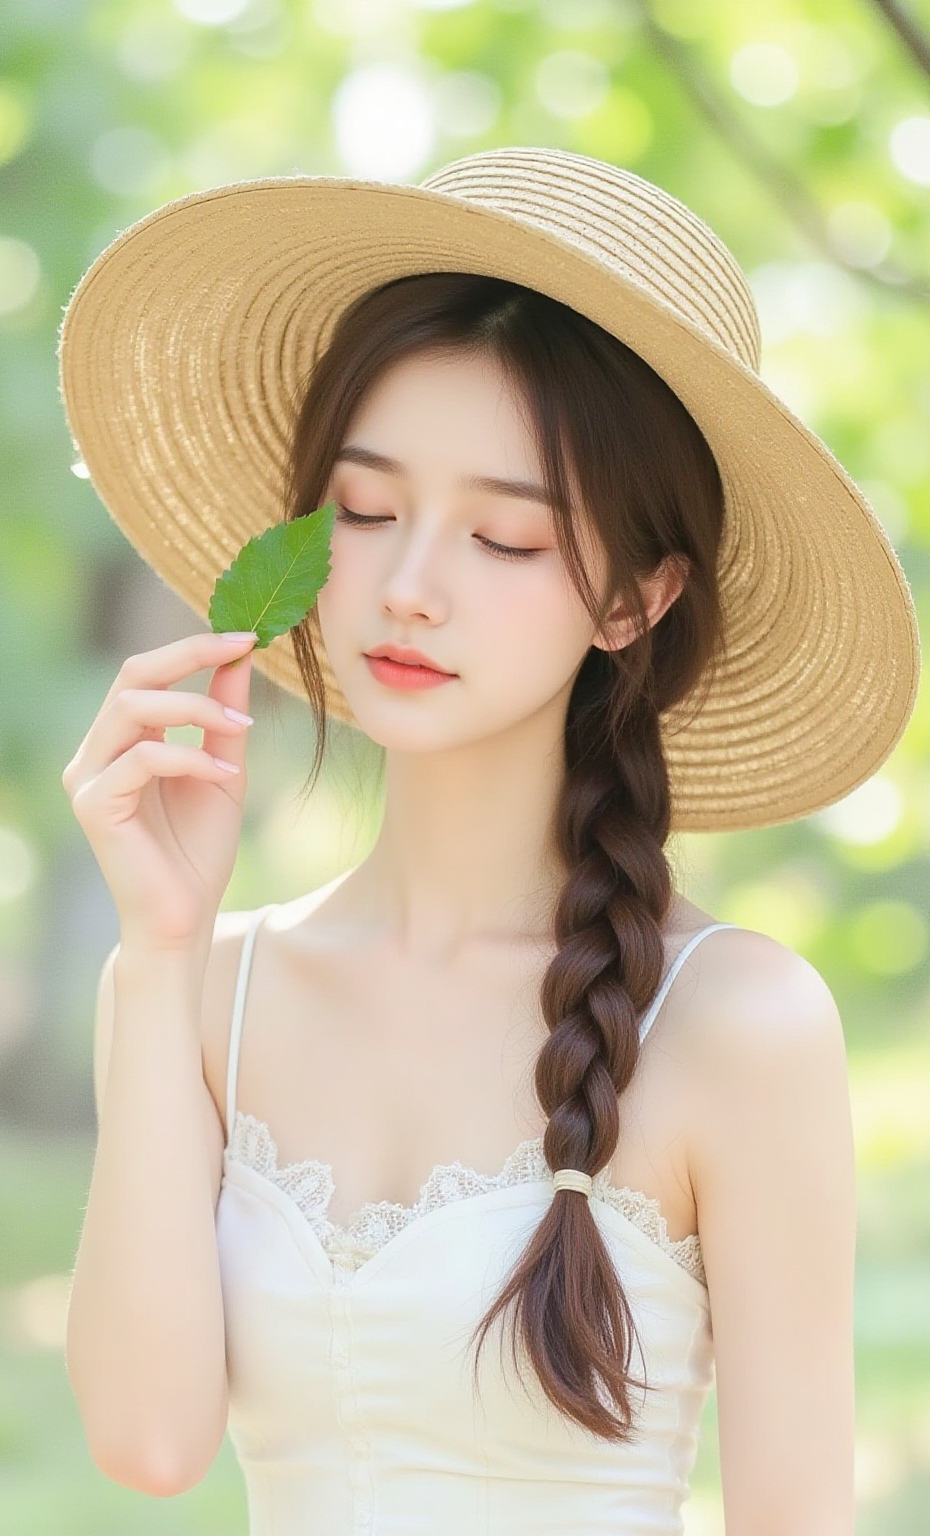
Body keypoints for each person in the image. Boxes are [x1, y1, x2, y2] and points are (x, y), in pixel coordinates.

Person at [56, 147, 919, 1534]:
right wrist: (159, 947)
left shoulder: (738, 1022)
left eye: (505, 539)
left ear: (636, 600)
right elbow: (148, 1445)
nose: (408, 587)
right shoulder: (202, 991)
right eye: (368, 512)